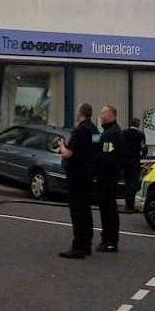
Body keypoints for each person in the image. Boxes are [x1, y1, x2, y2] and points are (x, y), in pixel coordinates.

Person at [58, 103, 99, 260]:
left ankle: (78, 246)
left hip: (77, 176)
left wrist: (62, 145)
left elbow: (68, 153)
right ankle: (87, 244)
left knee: (77, 212)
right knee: (86, 211)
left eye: (77, 110)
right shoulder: (95, 130)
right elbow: (96, 149)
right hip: (88, 175)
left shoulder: (80, 130)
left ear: (81, 113)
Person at [96, 106, 124, 252]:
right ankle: (108, 238)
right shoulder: (111, 131)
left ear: (110, 115)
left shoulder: (110, 134)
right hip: (110, 175)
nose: (100, 115)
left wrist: (99, 170)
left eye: (103, 112)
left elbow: (107, 156)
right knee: (108, 209)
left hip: (107, 177)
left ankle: (110, 240)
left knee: (108, 210)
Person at [122, 118, 148, 214]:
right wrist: (143, 155)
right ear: (138, 124)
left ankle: (127, 204)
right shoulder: (140, 134)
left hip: (124, 161)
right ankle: (130, 206)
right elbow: (143, 147)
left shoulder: (123, 133)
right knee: (133, 183)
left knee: (127, 182)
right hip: (134, 161)